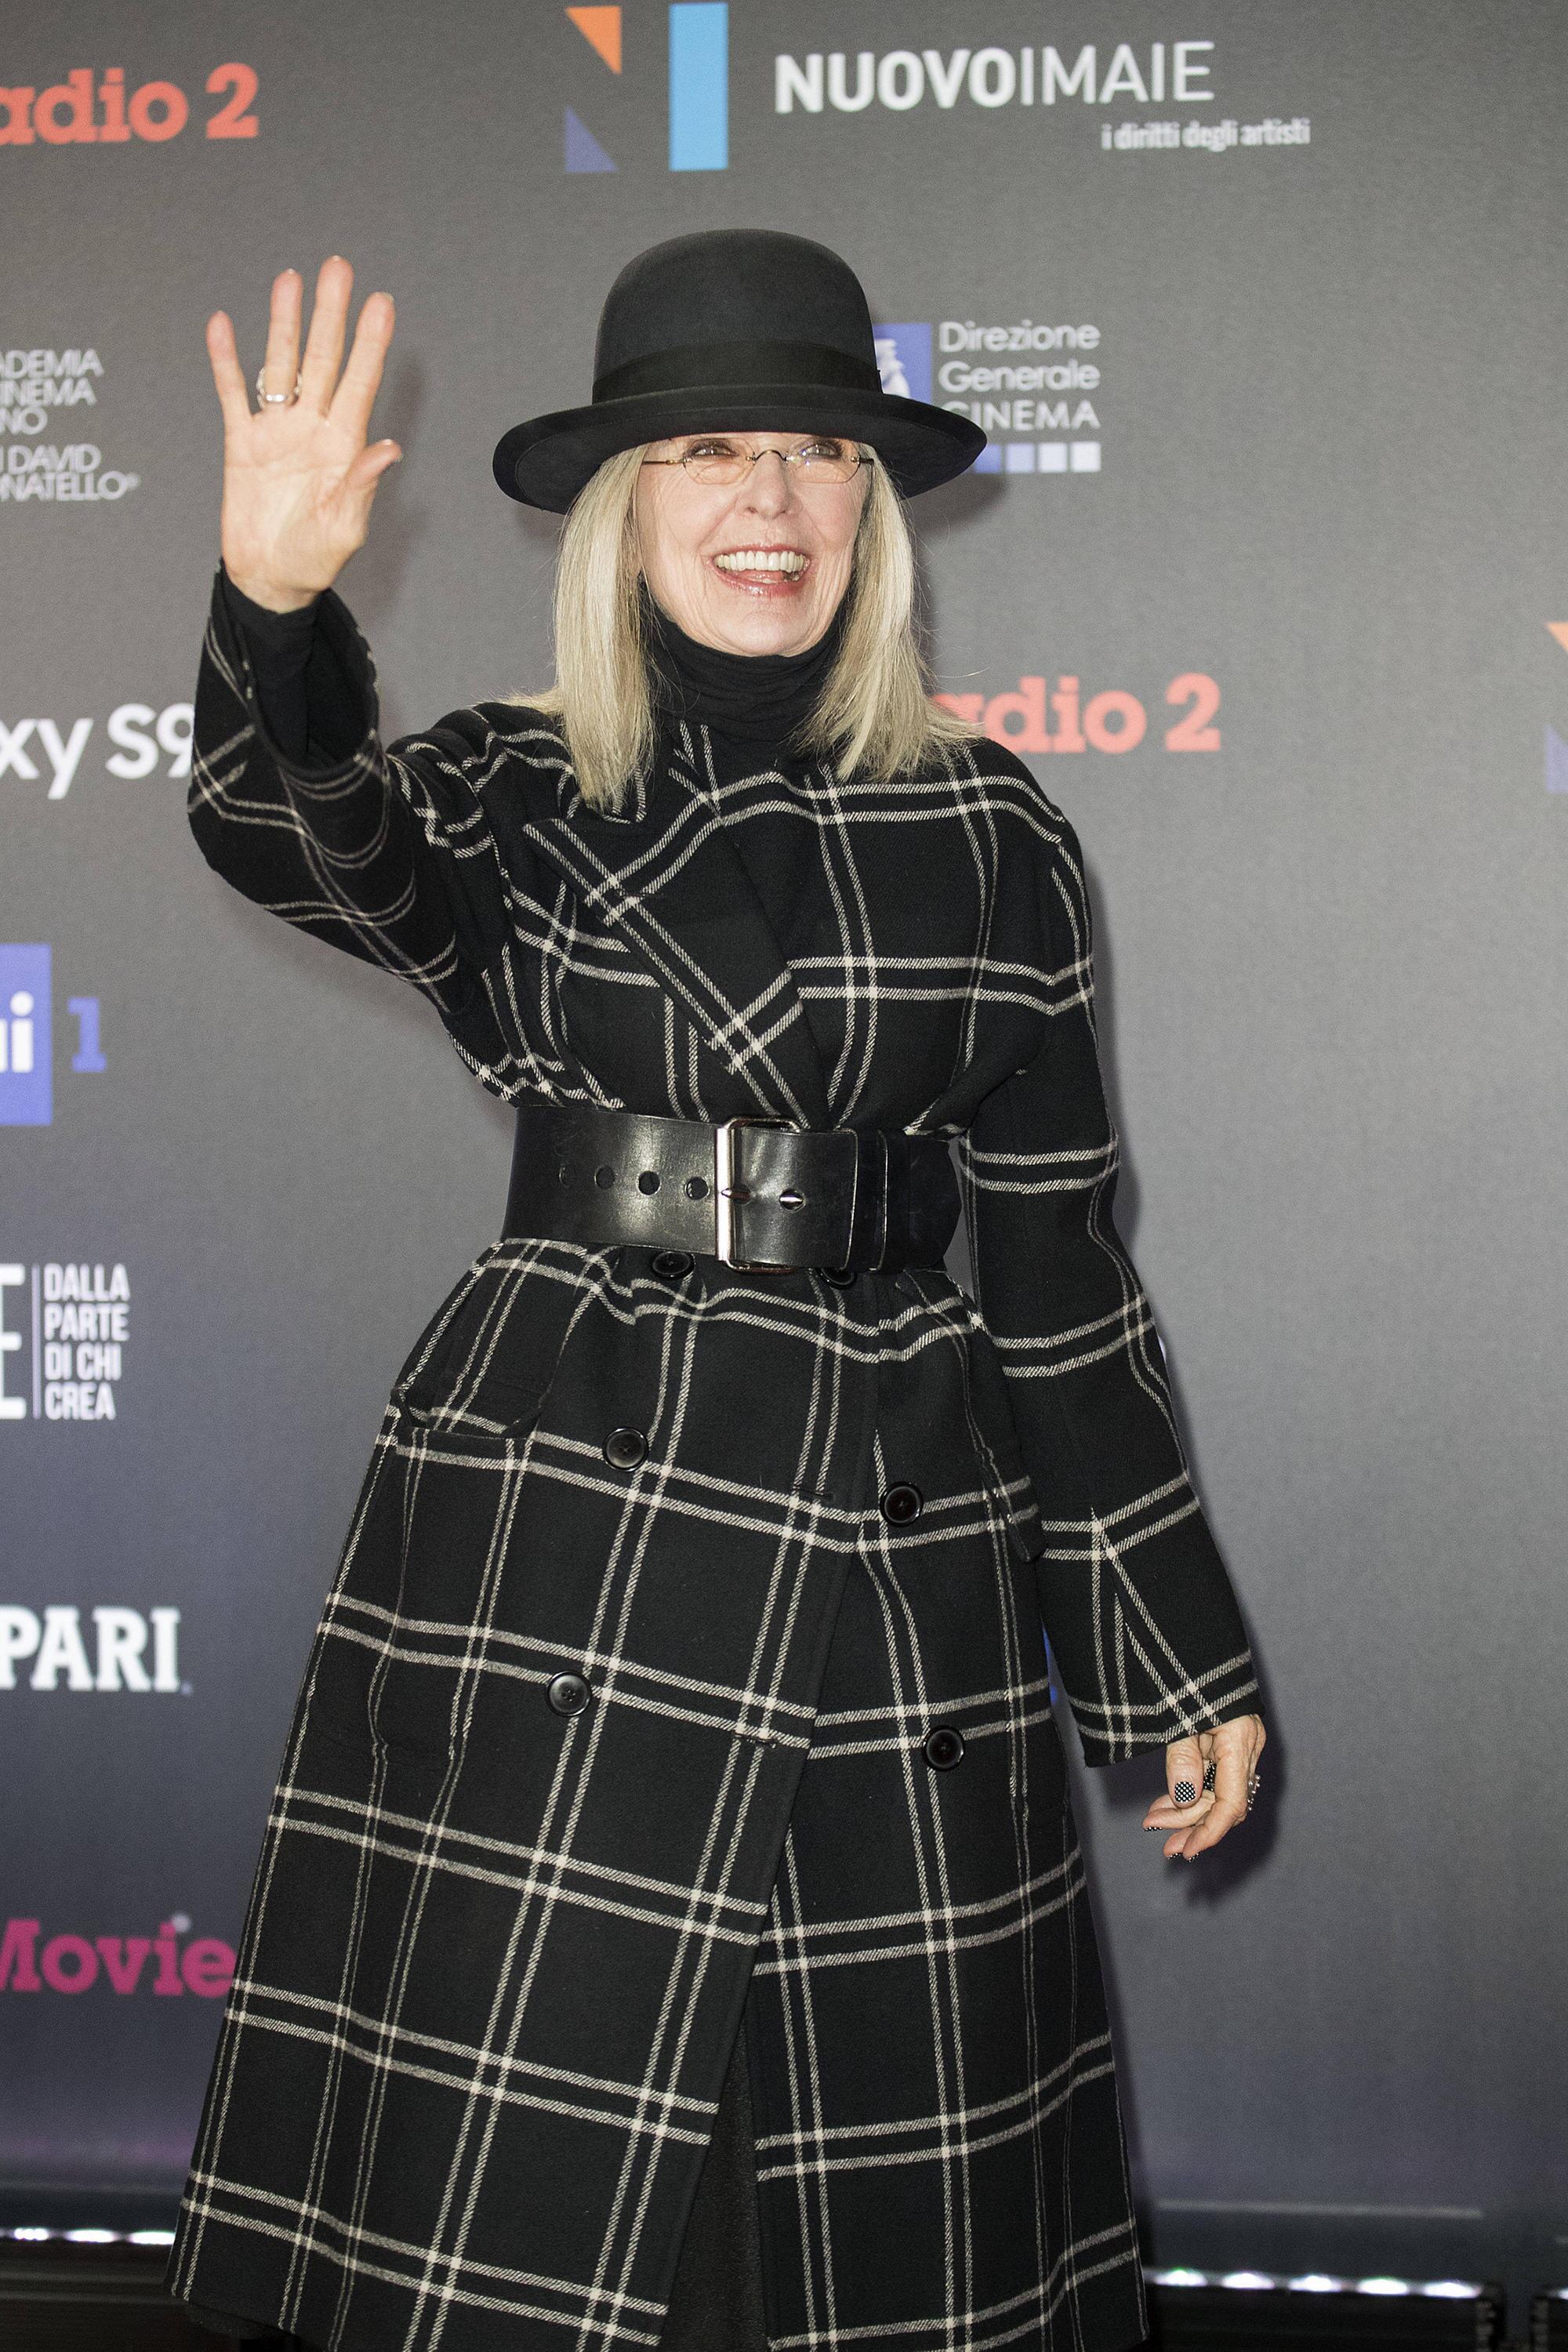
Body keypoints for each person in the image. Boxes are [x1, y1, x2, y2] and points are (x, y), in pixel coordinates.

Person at [167, 230, 1265, 2352]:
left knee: (868, 2203)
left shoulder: (995, 830)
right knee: (550, 2191)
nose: (771, 500)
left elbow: (1059, 1277)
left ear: (874, 506)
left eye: (819, 455)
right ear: (624, 509)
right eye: (708, 454)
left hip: (898, 1549)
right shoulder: (513, 789)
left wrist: (1167, 1643)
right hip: (576, 1532)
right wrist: (275, 611)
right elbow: (297, 833)